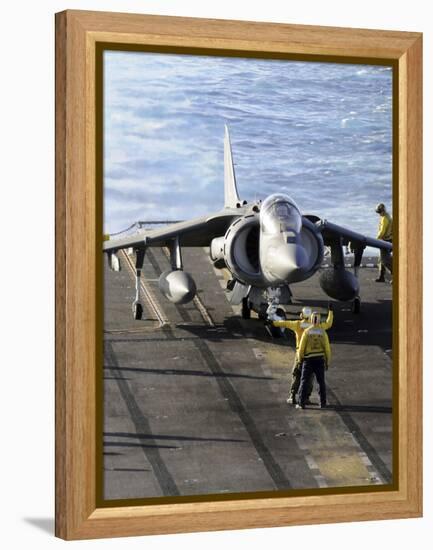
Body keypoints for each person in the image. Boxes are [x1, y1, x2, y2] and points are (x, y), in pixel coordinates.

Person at [270, 305, 333, 405]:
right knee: (310, 378)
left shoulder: (298, 324)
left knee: (297, 375)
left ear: (301, 315)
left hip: (300, 354)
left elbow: (285, 323)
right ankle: (307, 398)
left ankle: (293, 396)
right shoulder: (319, 327)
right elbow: (328, 324)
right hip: (313, 357)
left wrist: (273, 323)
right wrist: (330, 312)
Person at [296, 312, 332, 409]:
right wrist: (327, 362)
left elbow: (301, 349)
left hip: (308, 360)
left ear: (311, 320)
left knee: (304, 381)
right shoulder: (323, 332)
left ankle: (301, 403)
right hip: (319, 360)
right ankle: (322, 403)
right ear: (319, 320)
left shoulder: (307, 332)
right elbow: (327, 349)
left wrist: (300, 360)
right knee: (321, 382)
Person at [375, 203, 393, 282]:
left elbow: (382, 231)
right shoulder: (388, 216)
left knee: (385, 260)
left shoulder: (385, 218)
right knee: (381, 259)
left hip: (385, 240)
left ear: (382, 211)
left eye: (379, 212)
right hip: (390, 239)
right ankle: (381, 276)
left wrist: (377, 239)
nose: (379, 214)